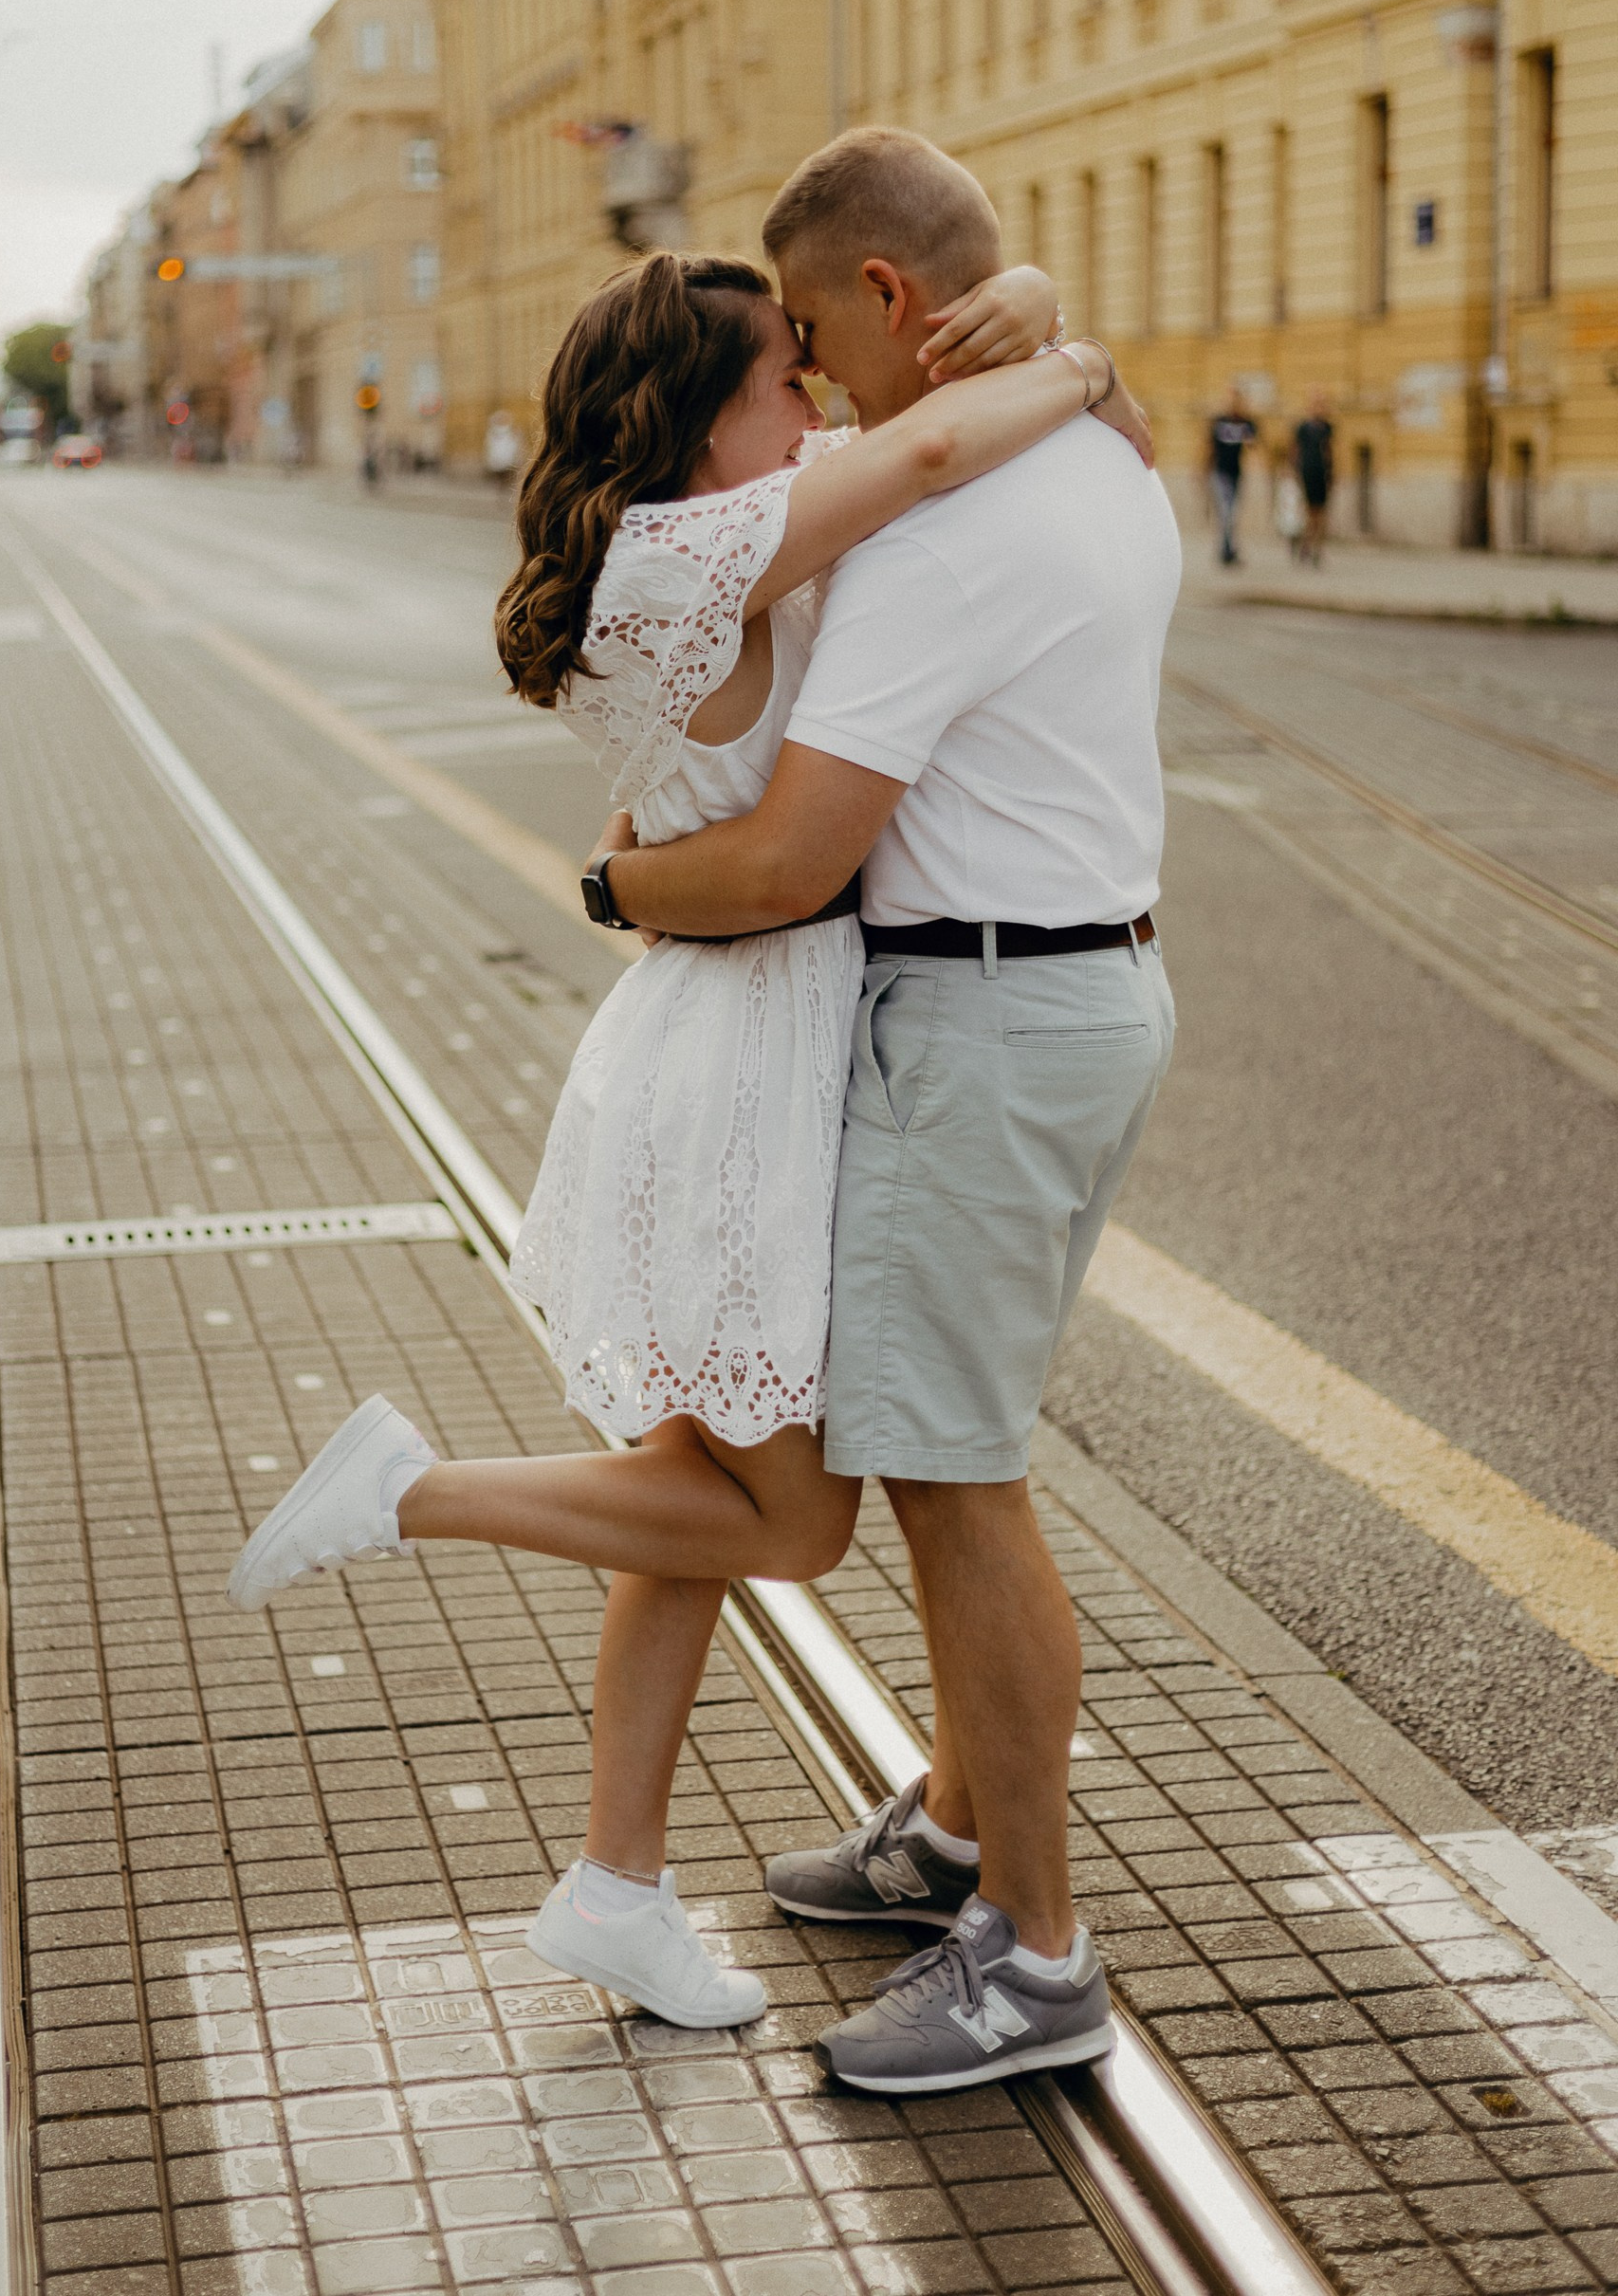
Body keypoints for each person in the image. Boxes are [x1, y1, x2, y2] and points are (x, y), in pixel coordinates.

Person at [228, 229, 1153, 2032]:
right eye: (777, 380)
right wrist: (1076, 360)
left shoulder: (712, 520)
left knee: (692, 1492)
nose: (811, 400)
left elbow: (913, 436)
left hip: (745, 1036)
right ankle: (407, 1491)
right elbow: (940, 449)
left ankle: (616, 1886)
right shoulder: (679, 555)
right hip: (754, 1055)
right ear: (695, 419)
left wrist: (1036, 296)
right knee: (786, 1521)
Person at [597, 127, 1180, 2097]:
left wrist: (610, 891)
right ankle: (949, 1830)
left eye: (820, 343)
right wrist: (1081, 353)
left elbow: (784, 866)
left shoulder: (934, 537)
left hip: (981, 1024)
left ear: (890, 303)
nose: (821, 391)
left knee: (951, 1482)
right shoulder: (1100, 457)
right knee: (954, 1451)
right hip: (1087, 991)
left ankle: (1032, 1954)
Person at [1207, 394, 1258, 564]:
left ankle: (1227, 547)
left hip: (1236, 473)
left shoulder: (1246, 423)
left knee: (1233, 512)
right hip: (1220, 473)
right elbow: (1209, 446)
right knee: (1226, 511)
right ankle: (1226, 549)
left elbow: (1253, 445)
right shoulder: (1219, 422)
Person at [1293, 401, 1334, 566]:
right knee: (1311, 512)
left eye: (1321, 405)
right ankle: (1306, 545)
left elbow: (1331, 450)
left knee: (1322, 513)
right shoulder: (1303, 428)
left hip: (1323, 474)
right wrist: (1295, 472)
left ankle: (1316, 548)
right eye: (1316, 405)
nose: (1319, 409)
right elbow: (1295, 450)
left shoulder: (1327, 427)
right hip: (1308, 472)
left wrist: (1333, 473)